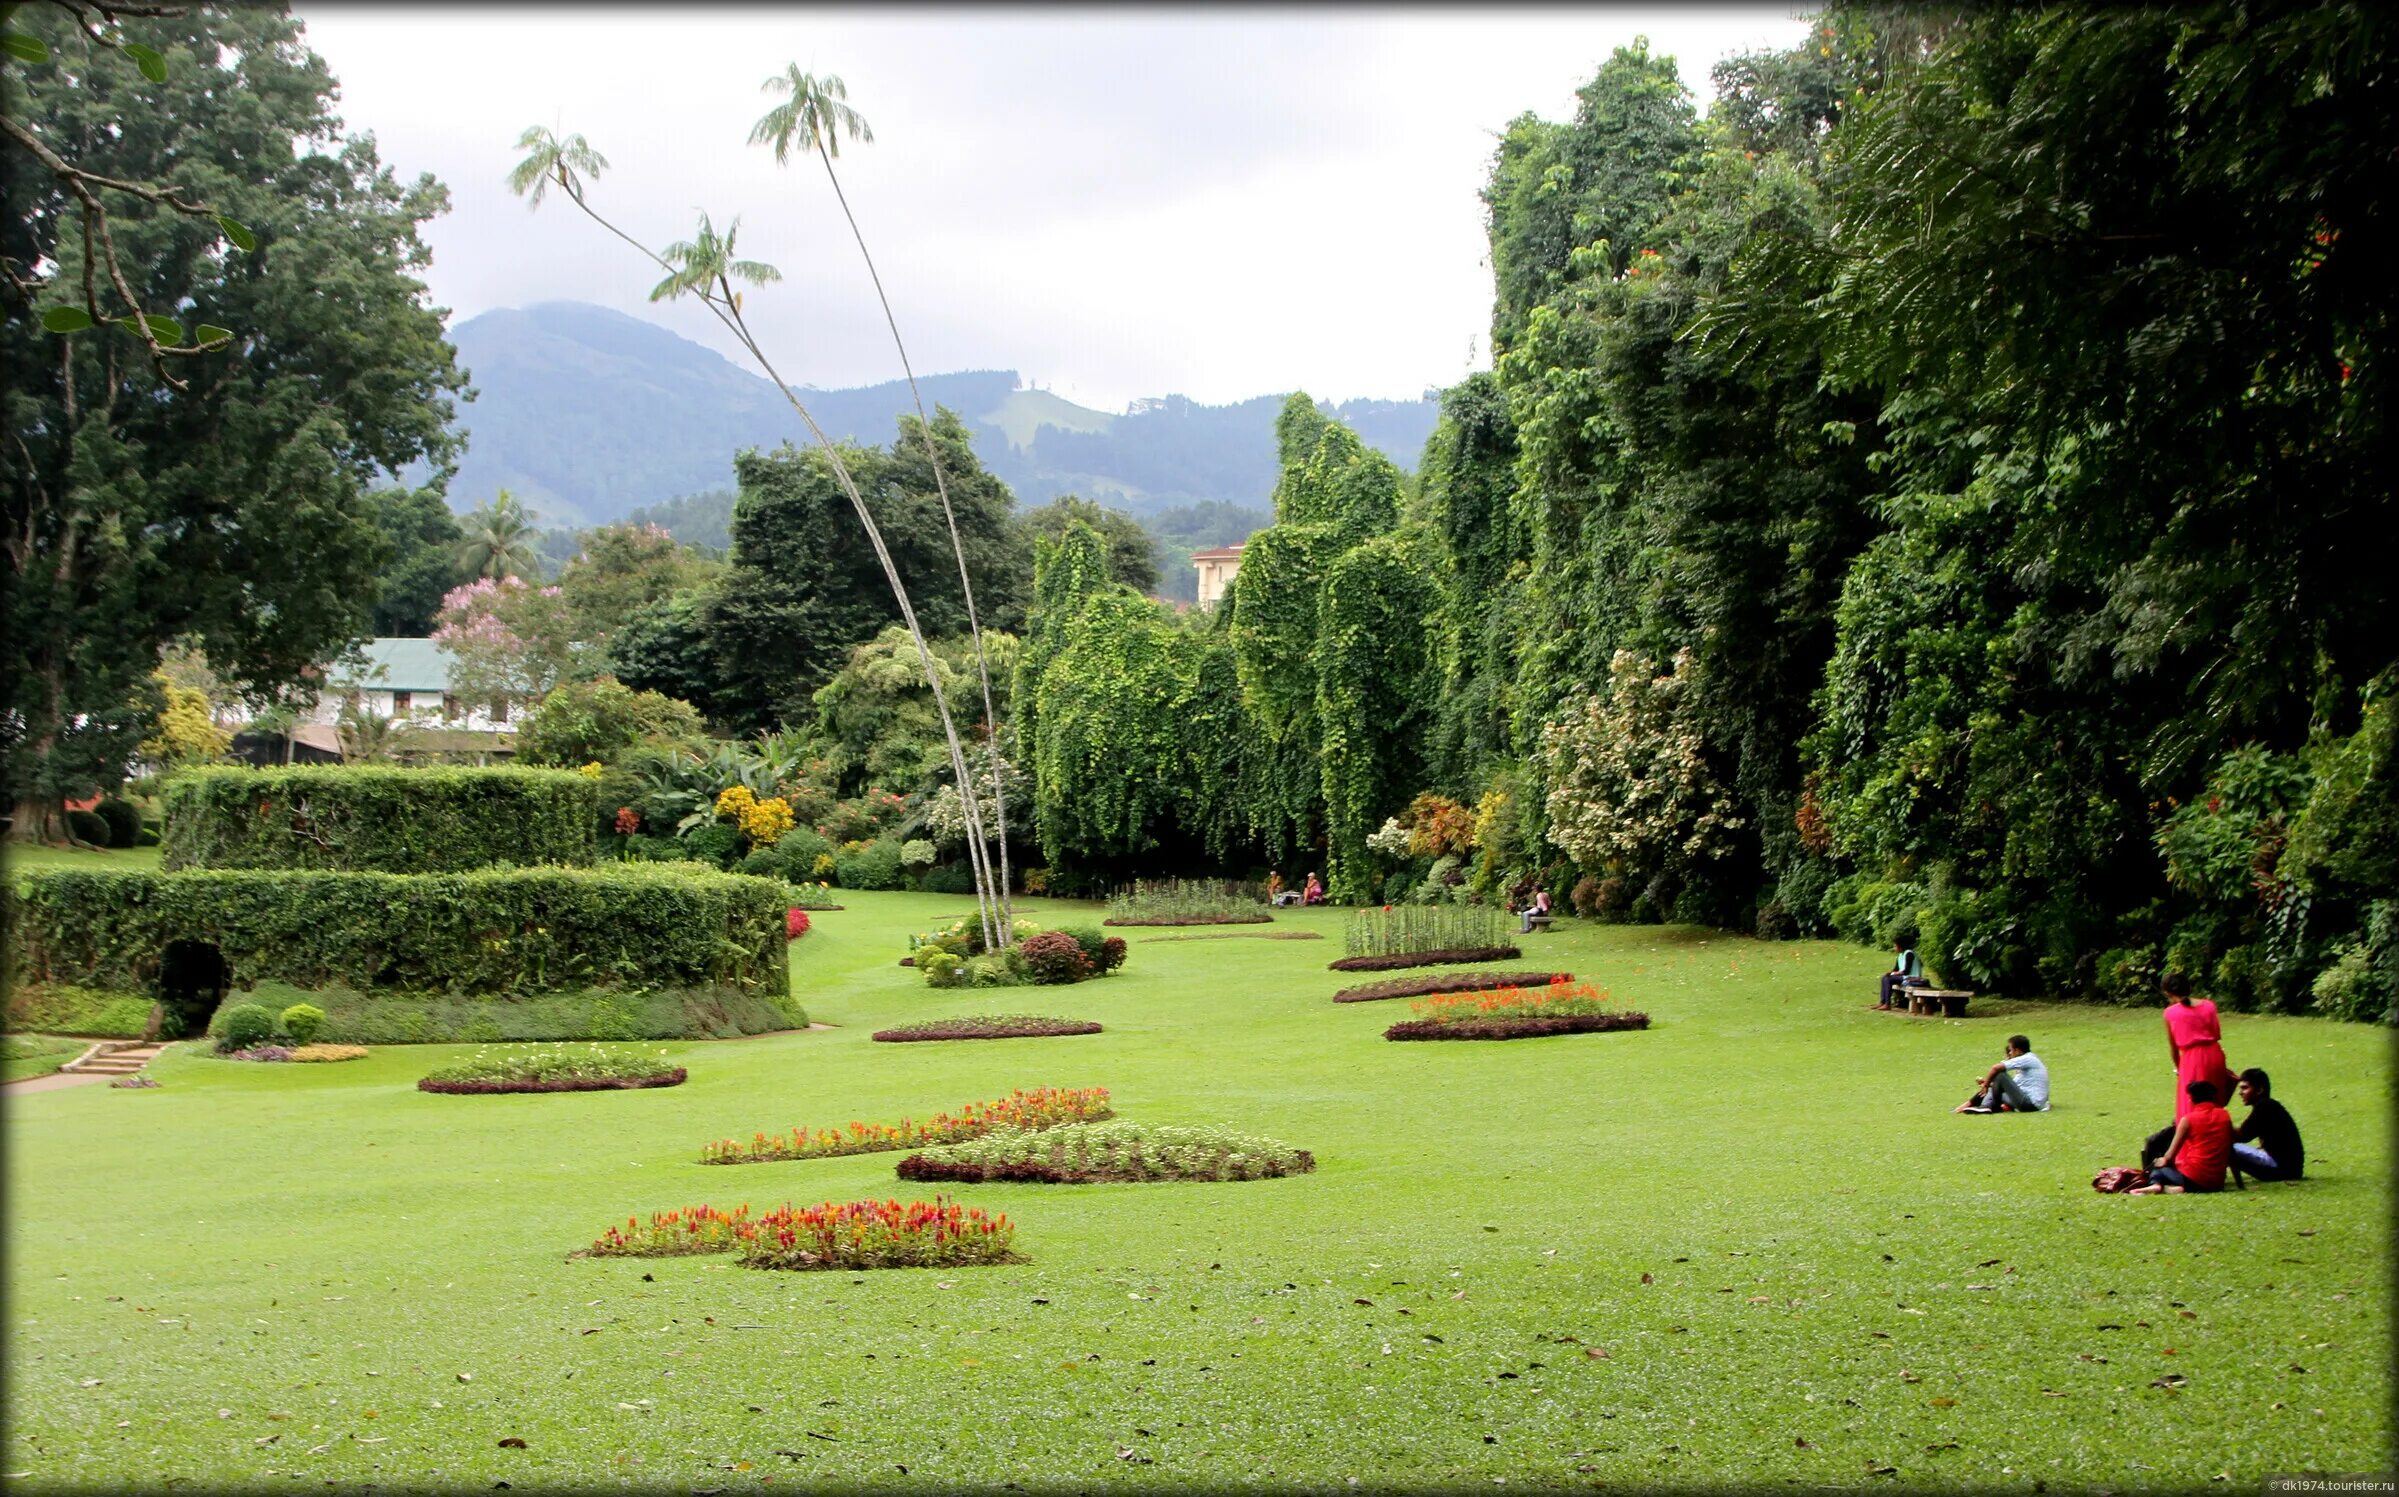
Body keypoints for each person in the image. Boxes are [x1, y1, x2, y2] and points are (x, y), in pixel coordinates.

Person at [2131, 1080, 2234, 1193]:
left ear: (2192, 1099)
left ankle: (2156, 1185)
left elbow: (2169, 1156)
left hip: (2195, 1176)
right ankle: (2177, 1189)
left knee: (2158, 1170)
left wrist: (2160, 1161)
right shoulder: (2224, 1115)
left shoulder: (2188, 1120)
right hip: (2217, 1182)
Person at [2162, 972, 2236, 1123]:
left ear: (2167, 993)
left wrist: (2179, 1068)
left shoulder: (2170, 1013)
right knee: (2214, 1103)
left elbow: (2174, 1047)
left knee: (2190, 1107)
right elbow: (2216, 1033)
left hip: (2191, 1060)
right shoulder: (2209, 1006)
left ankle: (2194, 1144)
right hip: (2214, 1055)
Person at [2230, 1068, 2305, 1183]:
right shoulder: (2269, 1105)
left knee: (2225, 1147)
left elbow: (2241, 1136)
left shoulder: (2265, 1107)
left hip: (2281, 1170)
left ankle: (2209, 1178)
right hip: (2290, 1168)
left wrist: (2218, 1126)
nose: (2240, 1093)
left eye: (2245, 1088)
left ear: (2259, 1090)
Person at [1955, 1034, 2050, 1114]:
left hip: (2030, 1104)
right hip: (2029, 1103)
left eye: (2011, 1050)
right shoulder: (2027, 1065)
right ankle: (1978, 1106)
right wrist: (1989, 1083)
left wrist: (1986, 1084)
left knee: (2000, 1074)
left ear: (2017, 1051)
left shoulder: (2028, 1059)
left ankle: (1985, 1106)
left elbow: (1995, 1068)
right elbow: (2006, 1087)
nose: (2010, 1054)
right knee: (1997, 1082)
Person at [1878, 938, 1926, 1010]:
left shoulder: (1909, 954)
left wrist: (1894, 973)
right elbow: (1896, 968)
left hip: (1913, 978)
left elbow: (1906, 971)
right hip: (1904, 977)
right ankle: (1882, 1002)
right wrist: (1890, 973)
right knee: (1884, 977)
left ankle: (1887, 1004)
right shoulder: (1900, 955)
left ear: (1900, 947)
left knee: (1888, 979)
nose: (1894, 948)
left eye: (1895, 946)